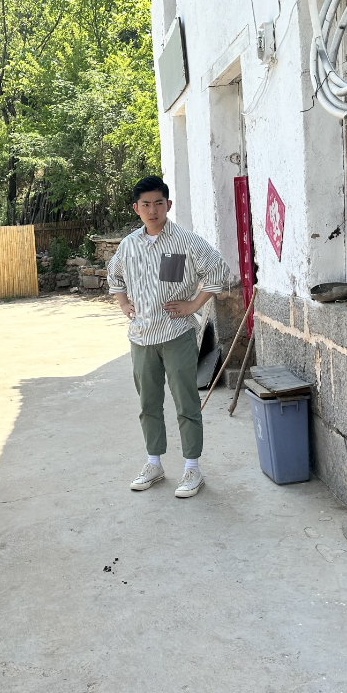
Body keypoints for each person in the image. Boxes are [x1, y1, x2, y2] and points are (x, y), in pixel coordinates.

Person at [107, 175, 232, 498]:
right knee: (149, 403)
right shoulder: (129, 245)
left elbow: (218, 270)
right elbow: (114, 277)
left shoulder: (186, 241)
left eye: (158, 203)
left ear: (168, 205)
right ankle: (154, 462)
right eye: (146, 205)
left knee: (186, 401)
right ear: (136, 208)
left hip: (176, 333)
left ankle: (192, 467)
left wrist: (194, 304)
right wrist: (123, 303)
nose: (153, 210)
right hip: (140, 337)